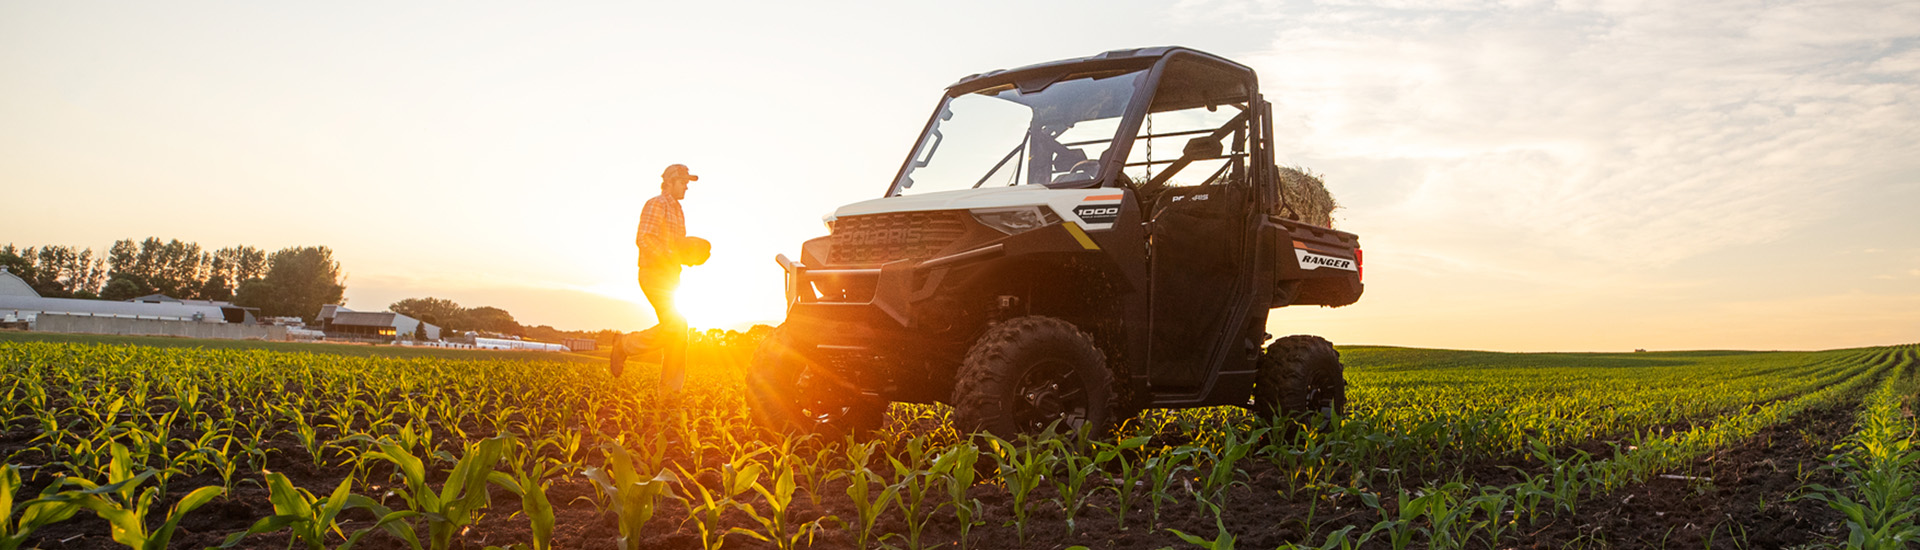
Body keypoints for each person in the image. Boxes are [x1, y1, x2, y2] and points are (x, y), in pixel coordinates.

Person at [611, 163, 702, 401]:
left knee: (677, 331)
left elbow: (676, 246)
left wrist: (686, 257)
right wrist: (671, 256)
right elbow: (644, 238)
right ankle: (625, 345)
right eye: (683, 182)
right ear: (670, 182)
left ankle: (669, 395)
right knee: (676, 326)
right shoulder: (657, 204)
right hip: (654, 273)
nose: (686, 187)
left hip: (670, 276)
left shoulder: (678, 210)